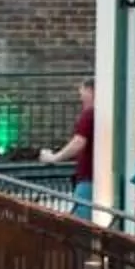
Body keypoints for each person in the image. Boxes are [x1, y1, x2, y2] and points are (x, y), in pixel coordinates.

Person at [40, 77, 97, 213]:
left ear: (91, 91)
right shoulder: (102, 112)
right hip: (94, 178)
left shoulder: (89, 114)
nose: (81, 98)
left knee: (82, 224)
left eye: (82, 94)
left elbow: (78, 142)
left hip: (87, 179)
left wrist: (54, 158)